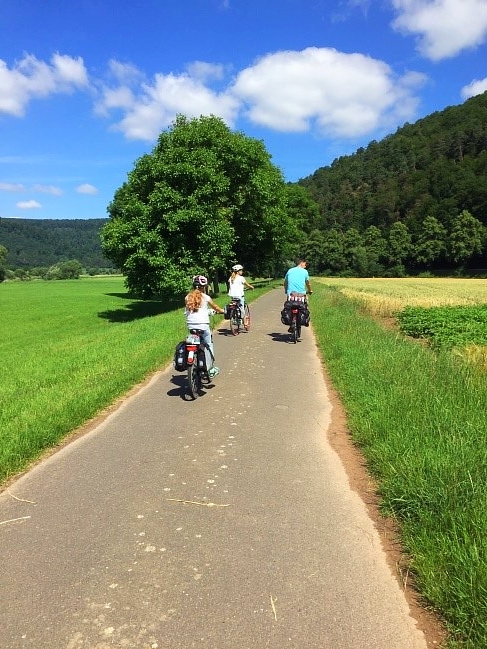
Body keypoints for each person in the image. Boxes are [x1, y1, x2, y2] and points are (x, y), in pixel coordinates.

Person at [185, 275, 224, 377]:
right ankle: (210, 368)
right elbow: (215, 307)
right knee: (208, 343)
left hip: (191, 326)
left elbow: (191, 310)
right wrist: (222, 311)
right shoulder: (206, 297)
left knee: (193, 342)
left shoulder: (187, 297)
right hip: (203, 326)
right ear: (204, 286)